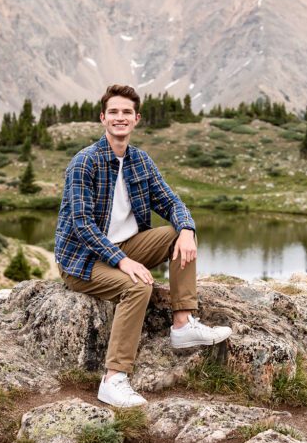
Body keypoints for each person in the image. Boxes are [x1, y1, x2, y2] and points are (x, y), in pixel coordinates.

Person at [54, 84, 231, 408]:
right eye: (113, 112)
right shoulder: (85, 162)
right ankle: (113, 379)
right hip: (83, 260)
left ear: (136, 119)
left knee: (178, 234)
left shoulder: (140, 160)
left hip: (125, 247)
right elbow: (82, 225)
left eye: (126, 113)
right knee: (138, 287)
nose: (120, 118)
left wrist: (188, 229)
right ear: (103, 118)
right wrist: (122, 261)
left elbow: (171, 201)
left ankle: (182, 324)